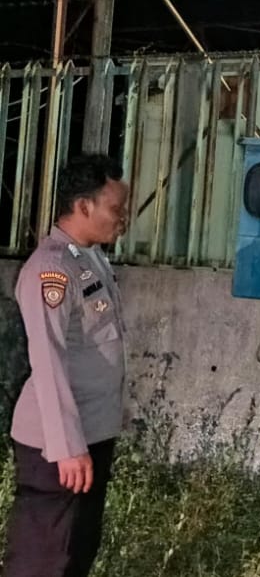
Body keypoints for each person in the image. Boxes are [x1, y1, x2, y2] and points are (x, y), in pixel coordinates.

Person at [4, 154, 131, 577]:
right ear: (83, 206)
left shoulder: (89, 259)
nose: (123, 218)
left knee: (76, 550)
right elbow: (48, 359)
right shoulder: (52, 269)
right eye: (116, 208)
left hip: (90, 433)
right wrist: (68, 447)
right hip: (57, 445)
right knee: (43, 559)